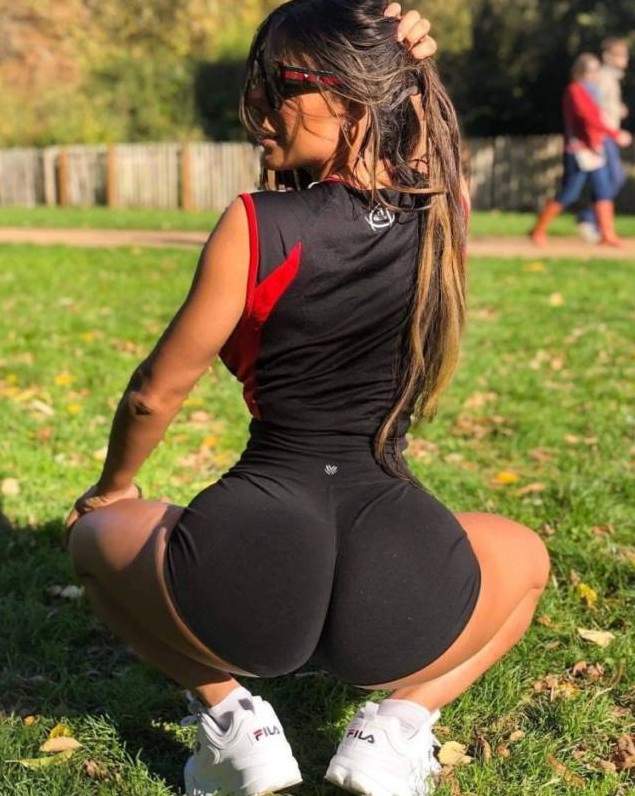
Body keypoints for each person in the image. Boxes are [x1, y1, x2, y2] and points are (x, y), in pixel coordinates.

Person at [65, 2, 550, 796]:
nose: (257, 111)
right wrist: (413, 71)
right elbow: (428, 148)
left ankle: (234, 724)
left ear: (351, 96)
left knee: (92, 541)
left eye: (279, 86)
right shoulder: (441, 218)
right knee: (526, 561)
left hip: (246, 565)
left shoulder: (256, 224)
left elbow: (156, 394)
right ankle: (394, 728)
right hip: (401, 586)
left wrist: (113, 489)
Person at [531, 53, 632, 248]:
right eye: (591, 71)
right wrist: (614, 134)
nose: (595, 74)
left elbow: (597, 118)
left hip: (594, 149)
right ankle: (538, 230)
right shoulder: (575, 90)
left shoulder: (593, 91)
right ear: (580, 72)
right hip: (578, 151)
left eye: (596, 70)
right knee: (570, 193)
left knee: (603, 190)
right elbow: (588, 118)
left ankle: (608, 234)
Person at [577, 37, 631, 243]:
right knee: (614, 178)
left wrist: (618, 109)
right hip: (605, 135)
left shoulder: (611, 79)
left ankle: (593, 221)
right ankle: (589, 219)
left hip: (609, 134)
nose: (625, 59)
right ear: (608, 57)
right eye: (621, 55)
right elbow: (593, 106)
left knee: (610, 179)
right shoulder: (604, 78)